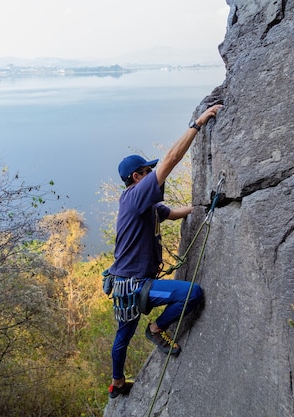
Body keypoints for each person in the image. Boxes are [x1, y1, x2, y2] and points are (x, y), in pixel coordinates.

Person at [107, 103, 223, 399]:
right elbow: (171, 159)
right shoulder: (136, 195)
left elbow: (171, 213)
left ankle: (117, 383)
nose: (152, 173)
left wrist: (203, 207)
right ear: (137, 177)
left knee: (123, 334)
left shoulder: (140, 203)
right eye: (147, 171)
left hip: (123, 283)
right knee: (192, 293)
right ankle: (157, 329)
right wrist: (197, 124)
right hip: (135, 284)